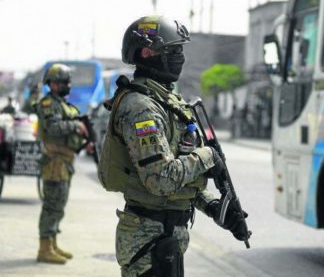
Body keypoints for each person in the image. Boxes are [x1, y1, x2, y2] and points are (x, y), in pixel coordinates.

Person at [98, 15, 250, 276]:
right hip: (148, 242)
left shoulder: (166, 102)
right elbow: (160, 180)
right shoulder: (141, 108)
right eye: (173, 50)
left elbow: (179, 175)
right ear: (148, 52)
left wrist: (214, 207)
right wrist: (207, 157)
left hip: (165, 240)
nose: (180, 57)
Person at [35, 63, 89, 264]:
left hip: (65, 162)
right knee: (51, 206)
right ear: (54, 84)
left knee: (59, 206)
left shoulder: (61, 103)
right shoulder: (48, 104)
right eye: (65, 82)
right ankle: (44, 248)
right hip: (54, 163)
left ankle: (52, 244)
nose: (68, 85)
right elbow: (54, 127)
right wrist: (76, 125)